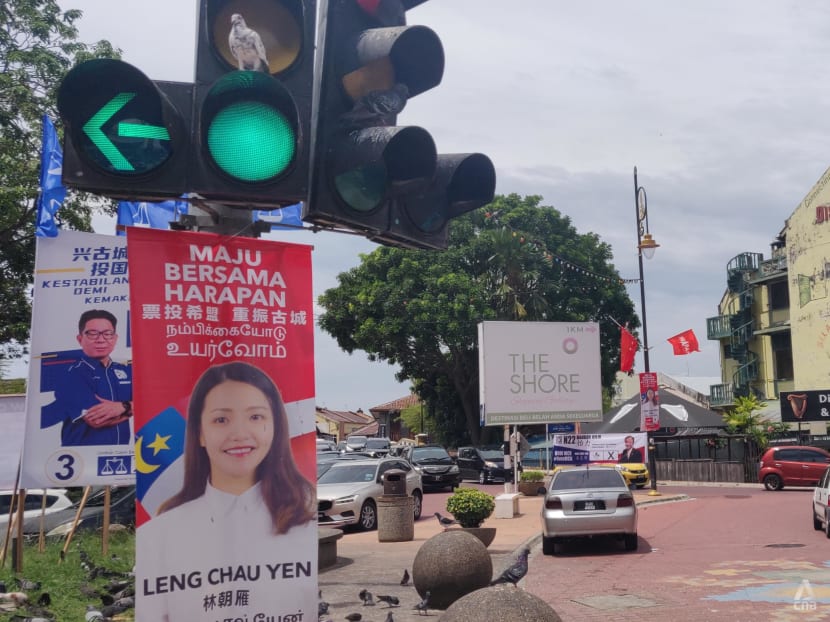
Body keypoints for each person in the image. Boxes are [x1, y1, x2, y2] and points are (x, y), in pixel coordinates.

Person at [137, 361, 316, 621]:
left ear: (275, 426)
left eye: (255, 417)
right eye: (221, 419)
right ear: (200, 433)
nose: (239, 434)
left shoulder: (307, 521)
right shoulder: (157, 536)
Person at [41, 309, 132, 446]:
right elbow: (98, 420)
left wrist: (123, 407)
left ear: (115, 338)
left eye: (107, 334)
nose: (101, 340)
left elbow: (150, 403)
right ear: (80, 339)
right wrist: (130, 407)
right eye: (92, 334)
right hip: (82, 453)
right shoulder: (72, 374)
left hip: (120, 453)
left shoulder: (125, 371)